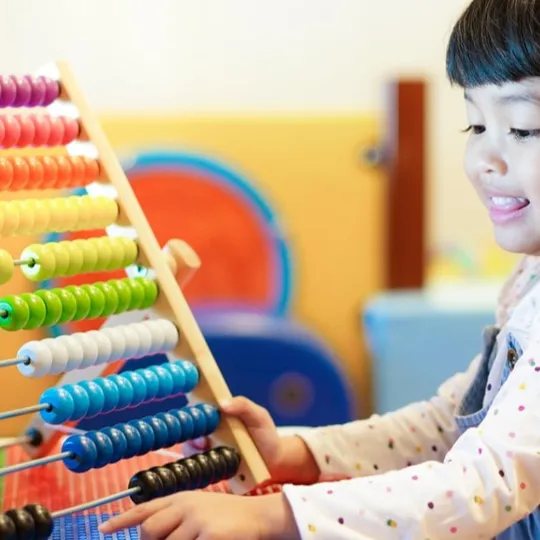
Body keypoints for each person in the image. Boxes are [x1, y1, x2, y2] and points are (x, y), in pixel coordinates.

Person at [99, 0, 540, 537]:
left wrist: (271, 515)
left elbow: (485, 481)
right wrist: (298, 452)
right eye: (475, 124)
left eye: (522, 128)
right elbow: (448, 423)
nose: (484, 159)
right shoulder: (529, 280)